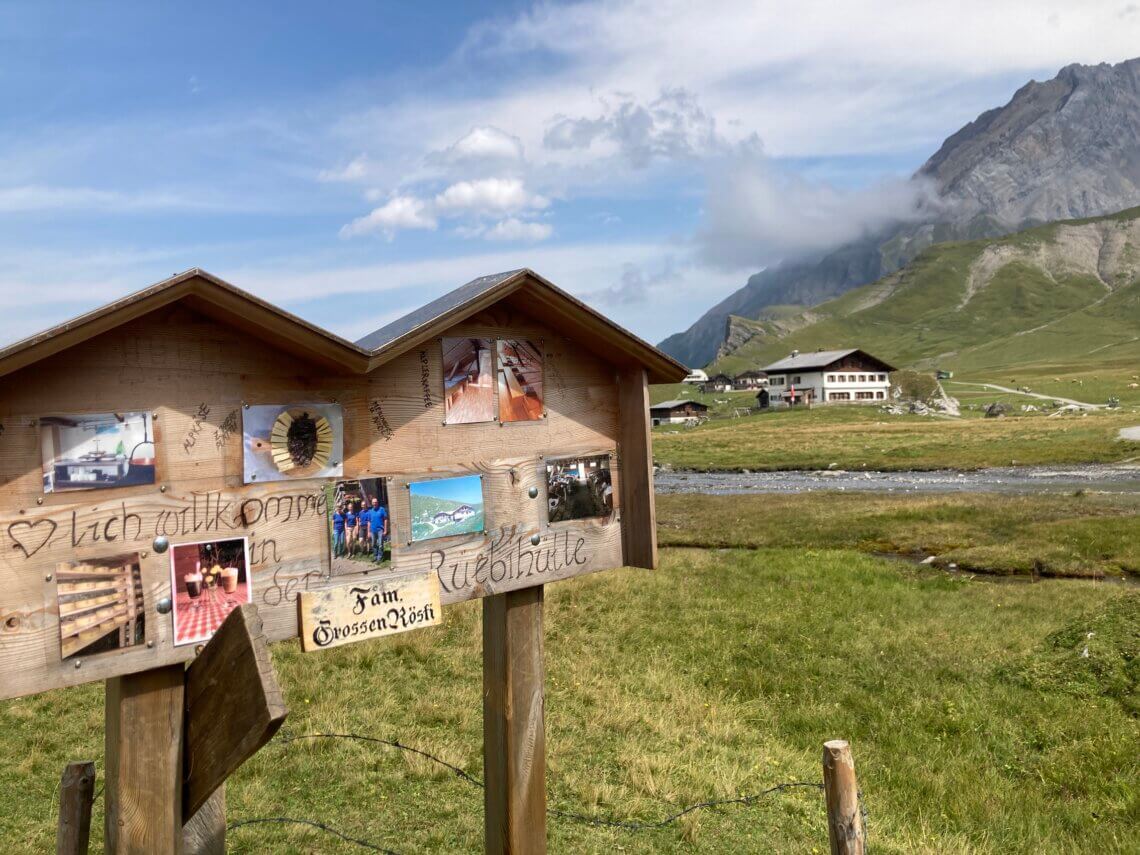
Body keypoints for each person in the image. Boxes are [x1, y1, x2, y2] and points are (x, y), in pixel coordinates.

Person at [368, 497, 389, 563]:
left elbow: (385, 519)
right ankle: (375, 556)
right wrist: (368, 531)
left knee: (380, 544)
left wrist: (385, 530)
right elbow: (369, 522)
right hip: (373, 530)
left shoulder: (382, 509)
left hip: (380, 530)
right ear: (372, 503)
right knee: (374, 544)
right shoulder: (370, 511)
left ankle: (379, 557)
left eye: (376, 502)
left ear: (377, 503)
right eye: (373, 502)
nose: (375, 503)